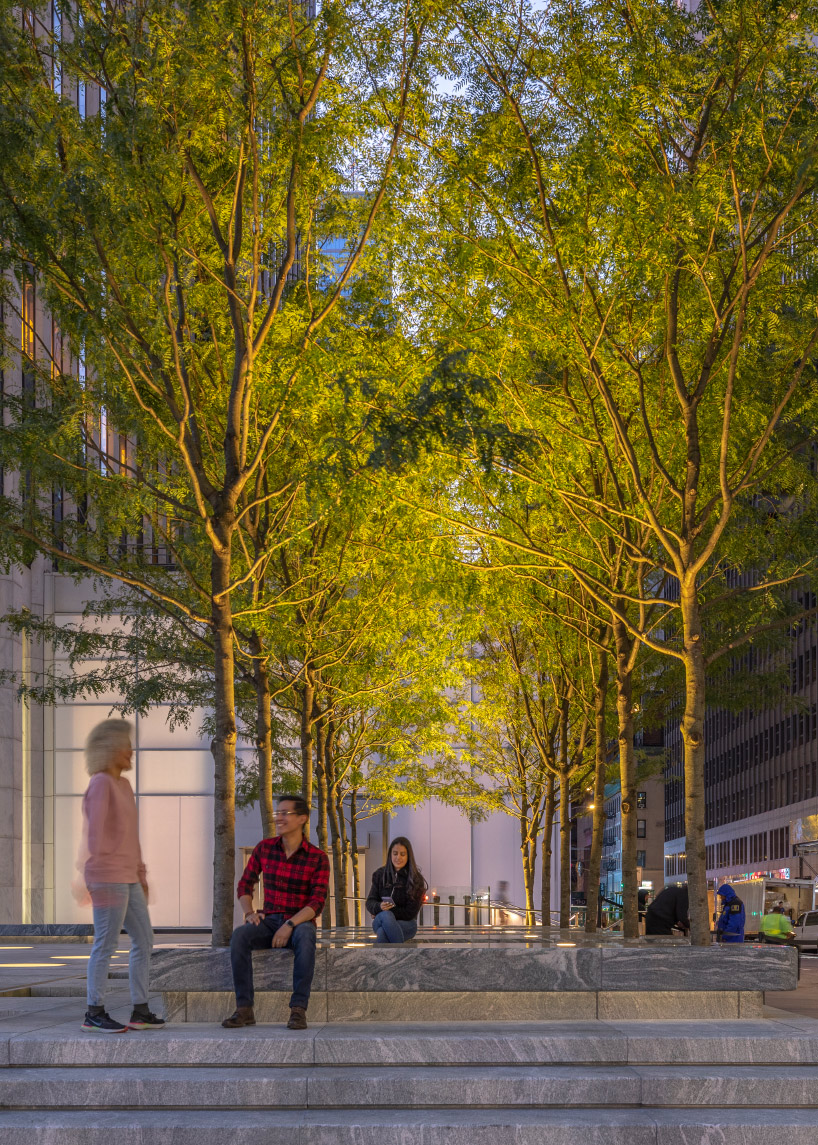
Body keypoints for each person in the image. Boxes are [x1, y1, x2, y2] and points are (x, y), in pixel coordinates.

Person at [79, 718, 163, 1034]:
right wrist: (89, 879)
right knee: (107, 943)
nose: (132, 750)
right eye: (126, 744)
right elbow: (94, 835)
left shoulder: (124, 786)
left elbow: (131, 838)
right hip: (106, 876)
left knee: (144, 939)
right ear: (111, 748)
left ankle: (140, 1010)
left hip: (128, 876)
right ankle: (94, 1011)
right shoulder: (100, 783)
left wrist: (141, 874)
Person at [222, 795, 329, 1031]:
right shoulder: (265, 848)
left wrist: (289, 924)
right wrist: (249, 912)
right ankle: (244, 1009)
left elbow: (317, 902)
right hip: (269, 920)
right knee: (240, 936)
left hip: (300, 921)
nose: (279, 818)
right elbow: (245, 884)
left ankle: (298, 1010)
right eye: (277, 813)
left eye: (285, 813)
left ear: (302, 818)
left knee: (306, 936)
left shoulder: (318, 857)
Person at [366, 837, 427, 943]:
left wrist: (386, 910)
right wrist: (379, 906)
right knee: (386, 916)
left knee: (382, 932)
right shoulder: (379, 875)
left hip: (407, 924)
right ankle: (402, 957)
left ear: (408, 856)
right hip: (380, 920)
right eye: (395, 854)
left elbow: (410, 913)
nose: (398, 857)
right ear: (390, 855)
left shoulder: (416, 879)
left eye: (402, 854)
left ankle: (379, 959)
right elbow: (370, 902)